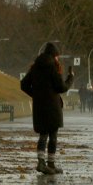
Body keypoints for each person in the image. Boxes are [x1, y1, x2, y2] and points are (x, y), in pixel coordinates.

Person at [20, 42, 74, 175]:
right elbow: (61, 87)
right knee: (53, 136)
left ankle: (41, 163)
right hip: (52, 107)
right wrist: (70, 78)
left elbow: (24, 85)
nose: (57, 59)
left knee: (43, 135)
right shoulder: (52, 67)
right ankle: (50, 163)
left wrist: (36, 95)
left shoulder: (35, 67)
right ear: (54, 55)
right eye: (57, 56)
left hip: (40, 106)